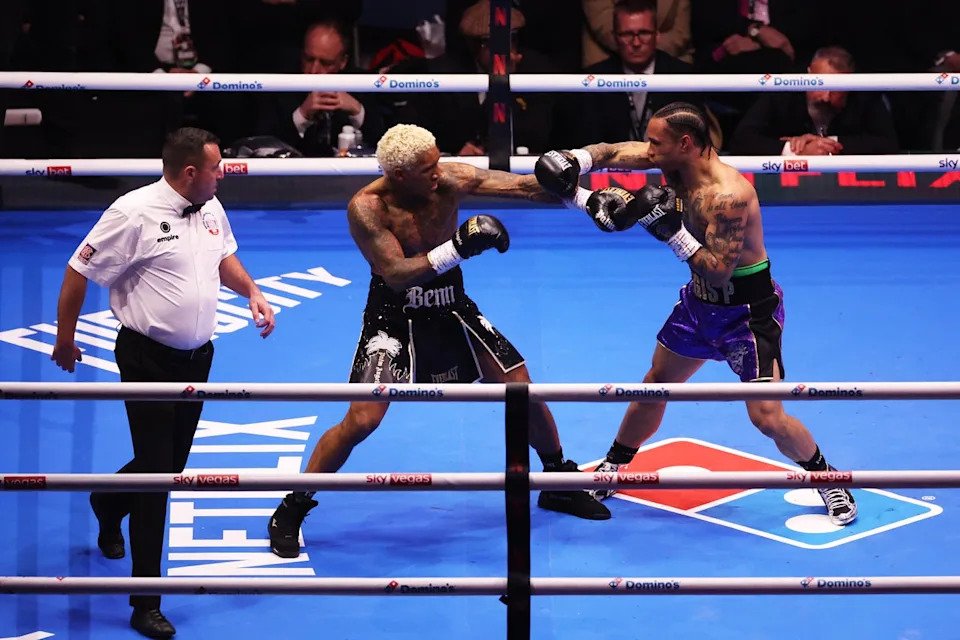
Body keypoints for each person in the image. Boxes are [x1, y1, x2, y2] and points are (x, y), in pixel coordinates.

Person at [267, 124, 609, 559]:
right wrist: (460, 247)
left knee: (520, 387)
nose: (439, 172)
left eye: (437, 161)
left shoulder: (449, 178)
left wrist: (588, 199)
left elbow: (526, 189)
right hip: (394, 315)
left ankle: (558, 479)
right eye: (428, 168)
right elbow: (394, 272)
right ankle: (294, 505)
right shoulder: (368, 207)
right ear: (399, 175)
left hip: (452, 305)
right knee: (362, 420)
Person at [533, 102, 858, 526]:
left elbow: (721, 272)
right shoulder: (671, 160)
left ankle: (827, 477)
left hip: (747, 312)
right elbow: (612, 152)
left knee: (767, 417)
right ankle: (614, 466)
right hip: (698, 305)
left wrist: (669, 231)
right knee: (655, 385)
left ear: (685, 144)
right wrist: (576, 166)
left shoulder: (729, 196)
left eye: (655, 142)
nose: (648, 151)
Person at [51, 127, 276, 639]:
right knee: (159, 480)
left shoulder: (211, 204)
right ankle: (144, 601)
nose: (224, 174)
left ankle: (108, 502)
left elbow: (223, 258)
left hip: (199, 358)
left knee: (170, 464)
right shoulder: (132, 213)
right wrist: (65, 341)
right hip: (147, 358)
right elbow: (76, 271)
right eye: (216, 167)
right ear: (190, 172)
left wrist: (252, 291)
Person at [729, 46, 898, 155]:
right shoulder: (783, 92)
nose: (826, 96)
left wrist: (829, 143)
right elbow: (741, 139)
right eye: (820, 84)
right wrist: (795, 150)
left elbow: (888, 144)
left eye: (836, 88)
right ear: (808, 74)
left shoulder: (864, 95)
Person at [255, 19, 384, 157]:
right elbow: (262, 146)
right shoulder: (280, 85)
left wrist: (357, 111)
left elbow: (386, 143)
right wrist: (301, 116)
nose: (314, 70)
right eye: (309, 59)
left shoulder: (361, 84)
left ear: (343, 62)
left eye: (326, 63)